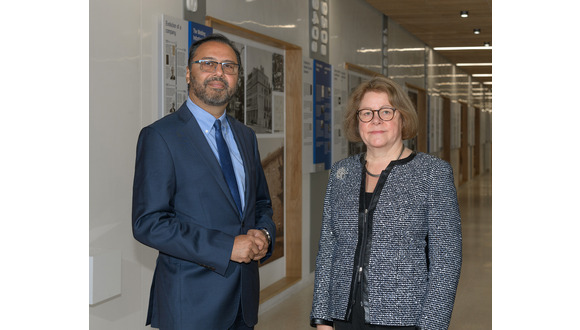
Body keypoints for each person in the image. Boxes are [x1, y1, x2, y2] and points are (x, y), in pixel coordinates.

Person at [132, 34, 276, 330]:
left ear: (237, 77)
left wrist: (264, 234)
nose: (219, 73)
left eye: (229, 66)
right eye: (207, 63)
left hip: (243, 302)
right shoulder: (161, 136)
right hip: (191, 306)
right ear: (188, 73)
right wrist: (225, 247)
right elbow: (149, 223)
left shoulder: (245, 136)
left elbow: (261, 202)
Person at [310, 76, 462, 330]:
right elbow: (328, 247)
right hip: (343, 316)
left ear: (402, 117)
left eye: (386, 112)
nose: (376, 120)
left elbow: (446, 260)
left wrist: (432, 325)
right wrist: (321, 316)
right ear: (356, 120)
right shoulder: (341, 173)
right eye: (367, 113)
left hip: (404, 318)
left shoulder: (432, 173)